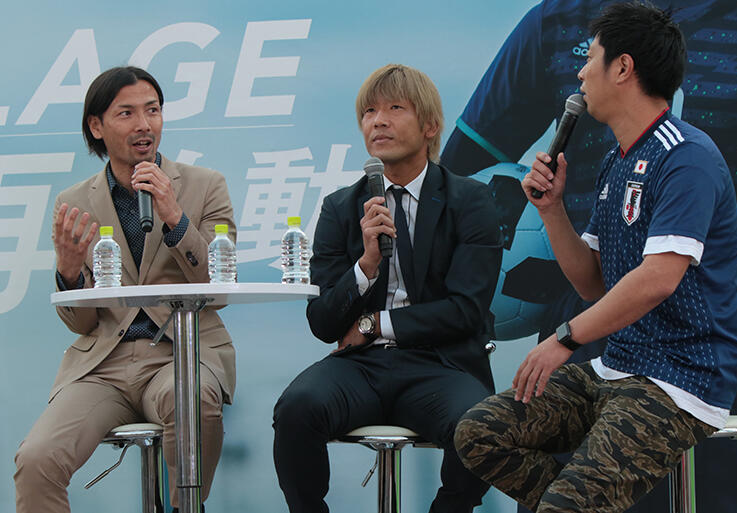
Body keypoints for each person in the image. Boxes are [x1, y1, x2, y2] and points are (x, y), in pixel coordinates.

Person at [442, 1, 737, 511]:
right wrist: (552, 211)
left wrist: (563, 339)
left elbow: (658, 280)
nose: (580, 73)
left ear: (623, 68)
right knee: (478, 434)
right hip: (615, 355)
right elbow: (593, 283)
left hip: (680, 371)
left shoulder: (688, 157)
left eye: (590, 60)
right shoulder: (617, 159)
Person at [272, 64, 503, 513]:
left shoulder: (470, 201)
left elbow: (466, 311)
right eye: (369, 112)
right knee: (297, 408)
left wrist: (374, 322)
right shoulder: (341, 207)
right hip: (361, 367)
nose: (378, 121)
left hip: (441, 364)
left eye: (395, 108)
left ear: (430, 126)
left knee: (481, 424)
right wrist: (366, 265)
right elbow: (322, 322)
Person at [14, 66, 236, 513]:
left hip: (180, 354)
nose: (144, 125)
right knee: (36, 460)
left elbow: (219, 289)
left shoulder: (205, 185)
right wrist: (69, 272)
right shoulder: (74, 202)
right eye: (127, 113)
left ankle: (185, 507)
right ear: (96, 126)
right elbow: (81, 322)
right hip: (104, 365)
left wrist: (174, 217)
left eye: (152, 111)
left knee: (192, 403)